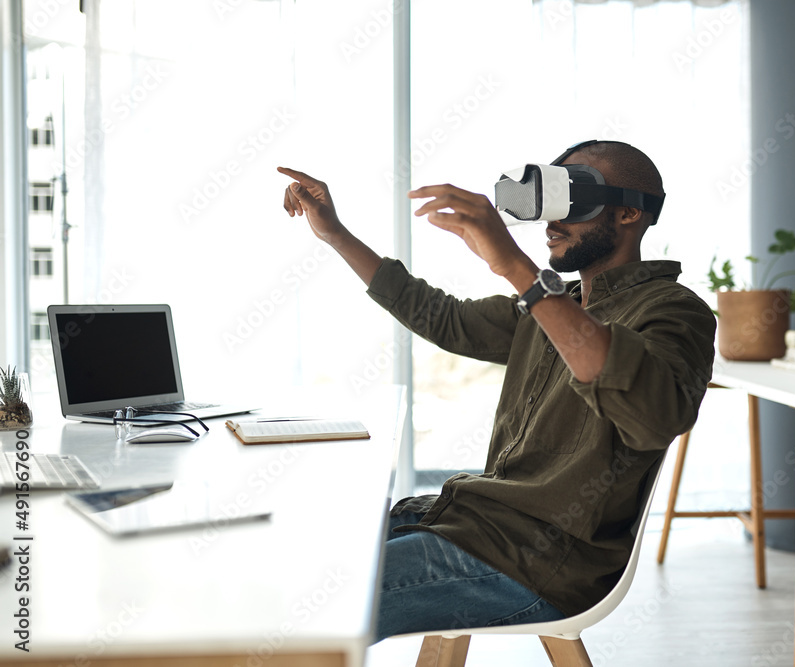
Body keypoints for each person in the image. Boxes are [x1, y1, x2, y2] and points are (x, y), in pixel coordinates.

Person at [277, 140, 716, 642]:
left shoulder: (675, 310)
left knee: (315, 610)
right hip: (475, 524)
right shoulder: (552, 307)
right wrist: (335, 234)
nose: (552, 222)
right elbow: (441, 316)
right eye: (552, 201)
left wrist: (515, 266)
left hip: (539, 562)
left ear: (628, 213)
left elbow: (653, 414)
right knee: (292, 561)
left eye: (575, 200)